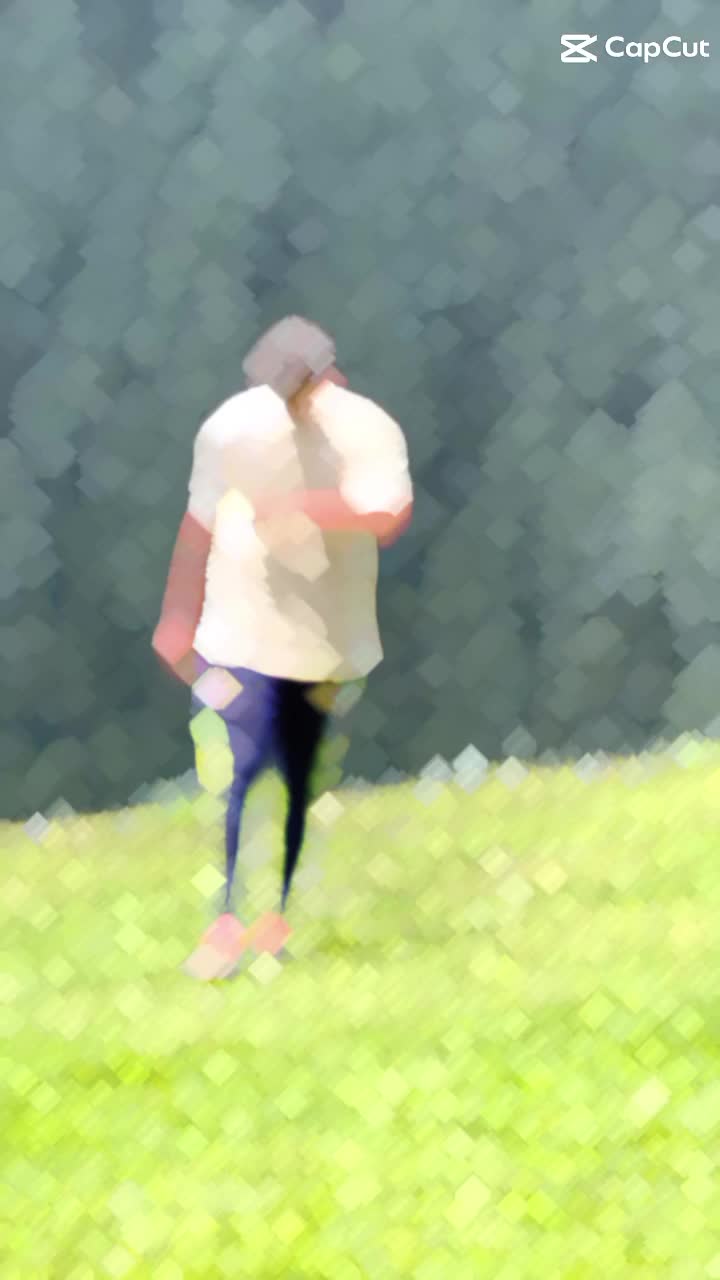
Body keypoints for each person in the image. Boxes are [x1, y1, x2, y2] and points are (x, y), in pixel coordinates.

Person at [152, 316, 413, 979]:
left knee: (300, 775)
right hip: (239, 628)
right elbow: (199, 521)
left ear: (328, 376)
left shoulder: (364, 430)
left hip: (325, 638)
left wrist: (308, 510)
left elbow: (388, 513)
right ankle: (223, 921)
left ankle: (276, 919)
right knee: (236, 770)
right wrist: (178, 614)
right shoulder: (232, 430)